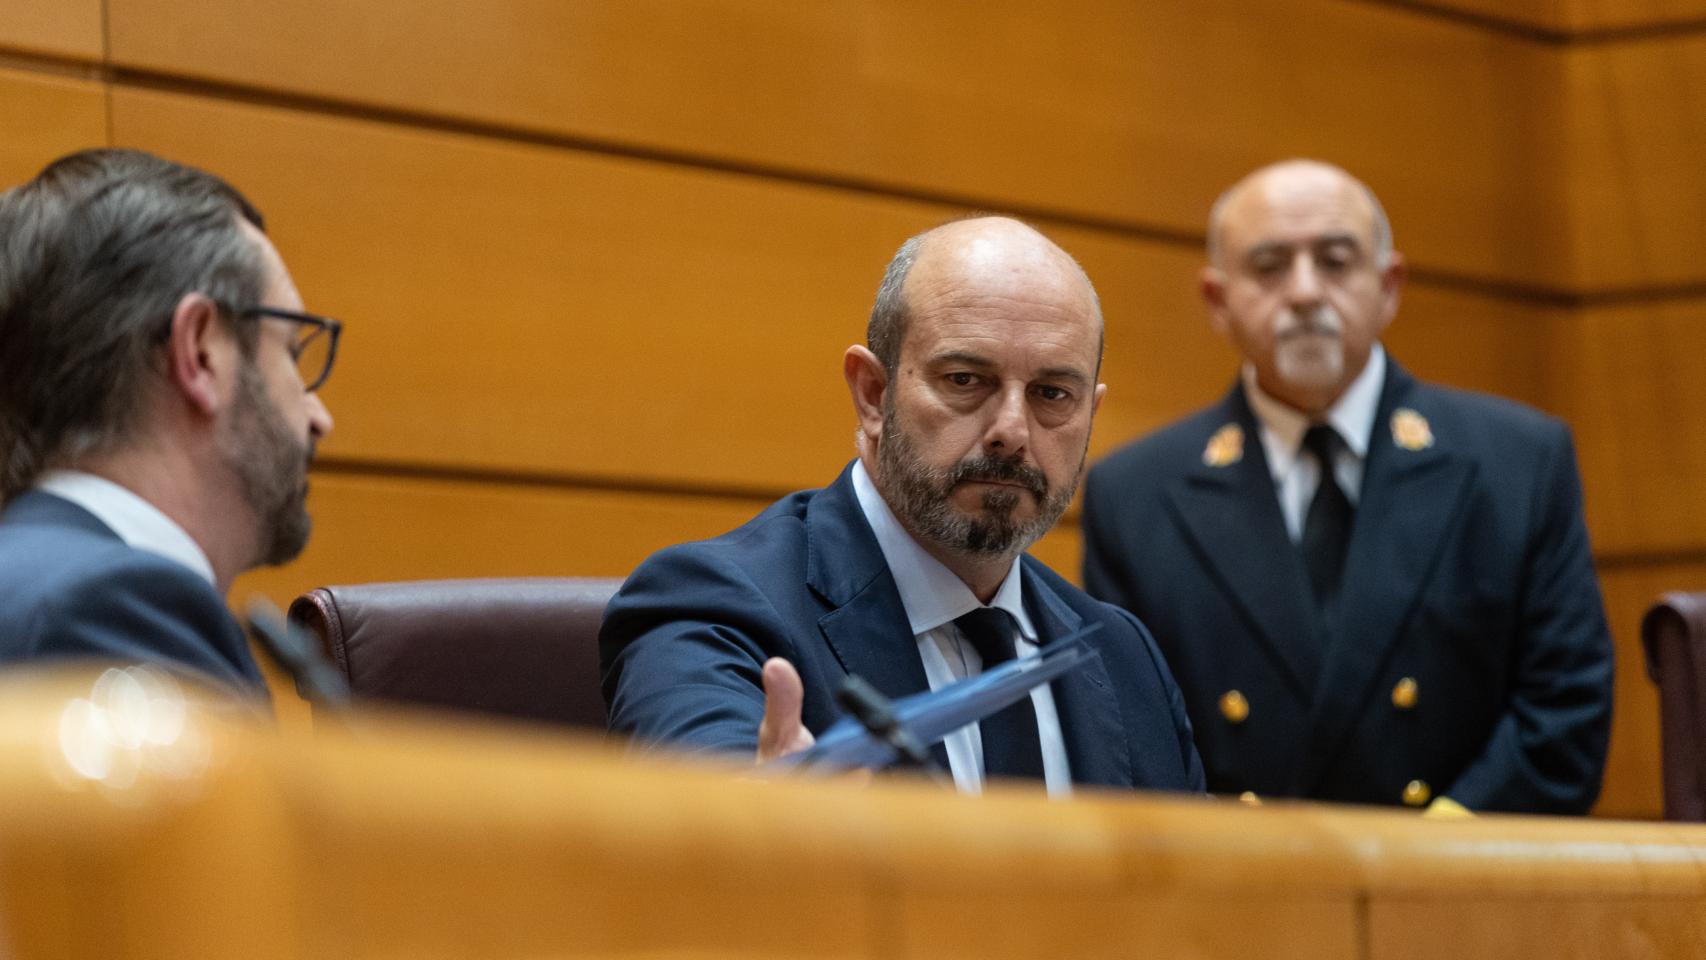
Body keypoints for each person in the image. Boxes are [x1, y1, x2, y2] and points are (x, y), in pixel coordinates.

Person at [1081, 159, 1613, 814]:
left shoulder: (1518, 463)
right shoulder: (1135, 494)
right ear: (1218, 302)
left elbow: (1563, 712)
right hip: (1253, 897)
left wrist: (1425, 859)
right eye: (1270, 266)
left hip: (1461, 887)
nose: (1304, 292)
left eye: (1335, 261)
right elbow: (1133, 744)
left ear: (1388, 286)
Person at [601, 216, 1204, 794]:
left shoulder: (1124, 654)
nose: (1012, 431)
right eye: (965, 380)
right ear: (873, 395)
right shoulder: (712, 606)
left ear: (1089, 417)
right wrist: (766, 825)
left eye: (1052, 395)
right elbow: (703, 824)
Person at [0, 148, 339, 695]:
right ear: (201, 352)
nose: (319, 416)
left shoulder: (30, 583)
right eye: (293, 356)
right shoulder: (111, 608)